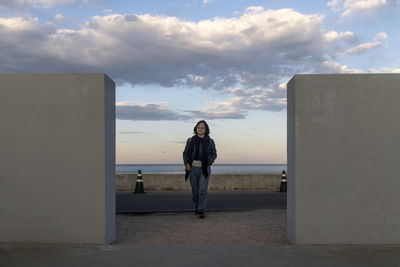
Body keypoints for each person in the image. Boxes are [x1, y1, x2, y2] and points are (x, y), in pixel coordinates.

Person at [183, 120, 217, 218]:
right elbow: (185, 153)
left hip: (204, 168)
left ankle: (201, 210)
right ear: (196, 129)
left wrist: (209, 162)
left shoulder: (210, 141)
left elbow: (214, 154)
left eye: (202, 127)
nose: (200, 129)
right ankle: (197, 207)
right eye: (198, 127)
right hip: (193, 168)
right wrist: (187, 164)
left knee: (202, 190)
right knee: (195, 191)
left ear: (206, 130)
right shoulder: (190, 140)